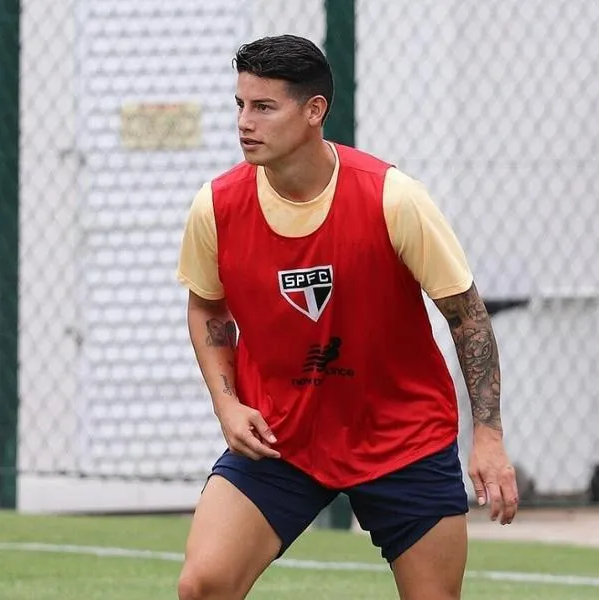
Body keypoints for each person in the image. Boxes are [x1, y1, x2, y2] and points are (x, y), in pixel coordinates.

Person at [175, 34, 519, 600]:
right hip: (280, 434)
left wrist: (487, 435)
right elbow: (208, 305)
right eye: (240, 105)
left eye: (264, 107)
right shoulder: (216, 206)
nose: (244, 122)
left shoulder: (393, 197)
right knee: (203, 584)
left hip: (400, 434)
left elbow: (467, 316)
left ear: (315, 111)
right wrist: (227, 404)